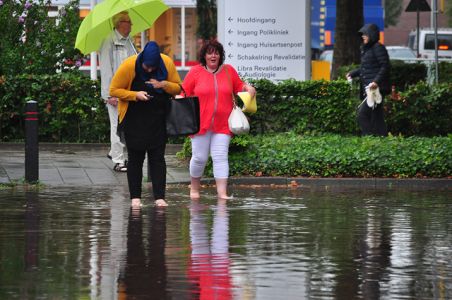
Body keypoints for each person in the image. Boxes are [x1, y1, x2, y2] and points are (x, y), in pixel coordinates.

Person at [109, 41, 181, 208]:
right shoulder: (129, 65)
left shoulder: (167, 63)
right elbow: (114, 90)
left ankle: (159, 197)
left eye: (152, 68)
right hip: (134, 119)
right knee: (135, 159)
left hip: (158, 118)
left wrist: (163, 84)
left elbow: (178, 88)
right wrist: (135, 95)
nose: (149, 70)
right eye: (146, 67)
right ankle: (135, 198)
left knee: (157, 158)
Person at [181, 40, 256, 199]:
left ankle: (222, 193)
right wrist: (175, 100)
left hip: (223, 124)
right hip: (200, 123)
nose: (213, 55)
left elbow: (239, 85)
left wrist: (248, 88)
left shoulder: (229, 71)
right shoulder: (195, 72)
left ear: (220, 55)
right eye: (210, 52)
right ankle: (194, 189)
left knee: (220, 157)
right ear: (204, 55)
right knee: (199, 158)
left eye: (216, 52)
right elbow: (183, 92)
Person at [99, 11, 136, 172]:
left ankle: (115, 152)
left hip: (127, 92)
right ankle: (119, 161)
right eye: (128, 21)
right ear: (119, 23)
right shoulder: (109, 42)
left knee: (126, 125)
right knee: (116, 125)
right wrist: (109, 94)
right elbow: (106, 69)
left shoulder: (130, 41)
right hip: (115, 92)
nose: (131, 25)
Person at [346, 23, 390, 136]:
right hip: (369, 88)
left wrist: (376, 82)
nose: (363, 36)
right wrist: (352, 73)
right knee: (377, 116)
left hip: (375, 90)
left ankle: (368, 138)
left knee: (363, 115)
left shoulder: (378, 48)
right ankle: (381, 138)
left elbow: (385, 66)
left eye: (365, 34)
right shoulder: (367, 49)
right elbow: (366, 68)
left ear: (372, 35)